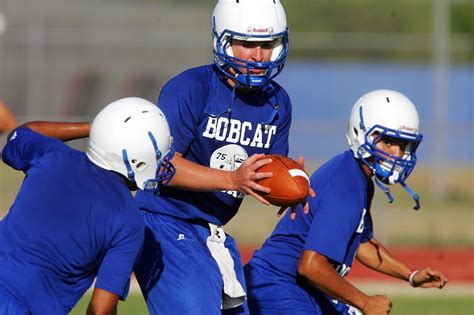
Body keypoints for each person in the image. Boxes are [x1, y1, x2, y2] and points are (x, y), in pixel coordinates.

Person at [133, 0, 312, 314]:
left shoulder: (278, 102)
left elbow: (263, 176)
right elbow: (161, 165)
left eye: (268, 44)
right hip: (163, 221)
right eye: (247, 44)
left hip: (212, 232)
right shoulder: (191, 87)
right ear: (223, 41)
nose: (259, 56)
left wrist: (290, 186)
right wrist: (232, 179)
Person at [243, 90, 449, 315]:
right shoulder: (345, 186)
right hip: (278, 286)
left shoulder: (356, 176)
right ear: (361, 134)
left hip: (300, 286)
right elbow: (310, 266)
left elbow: (361, 242)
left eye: (403, 145)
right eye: (388, 142)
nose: (397, 154)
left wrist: (410, 275)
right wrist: (365, 302)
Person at [0, 97, 176, 314]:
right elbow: (100, 309)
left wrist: (94, 129)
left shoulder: (53, 156)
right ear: (139, 160)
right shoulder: (128, 220)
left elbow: (22, 133)